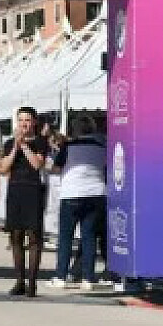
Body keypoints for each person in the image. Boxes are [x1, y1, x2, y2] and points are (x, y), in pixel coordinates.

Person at [48, 115, 106, 290]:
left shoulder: (68, 146)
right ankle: (88, 278)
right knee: (89, 237)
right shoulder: (102, 147)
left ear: (75, 130)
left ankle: (61, 276)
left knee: (66, 237)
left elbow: (56, 169)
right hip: (96, 193)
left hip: (72, 194)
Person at [0, 106, 48, 297]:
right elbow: (3, 168)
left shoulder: (40, 141)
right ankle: (19, 281)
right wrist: (15, 148)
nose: (23, 124)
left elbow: (37, 164)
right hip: (15, 189)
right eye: (20, 120)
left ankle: (32, 282)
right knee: (15, 236)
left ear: (34, 122)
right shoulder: (9, 143)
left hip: (33, 190)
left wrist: (25, 147)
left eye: (27, 120)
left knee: (34, 236)